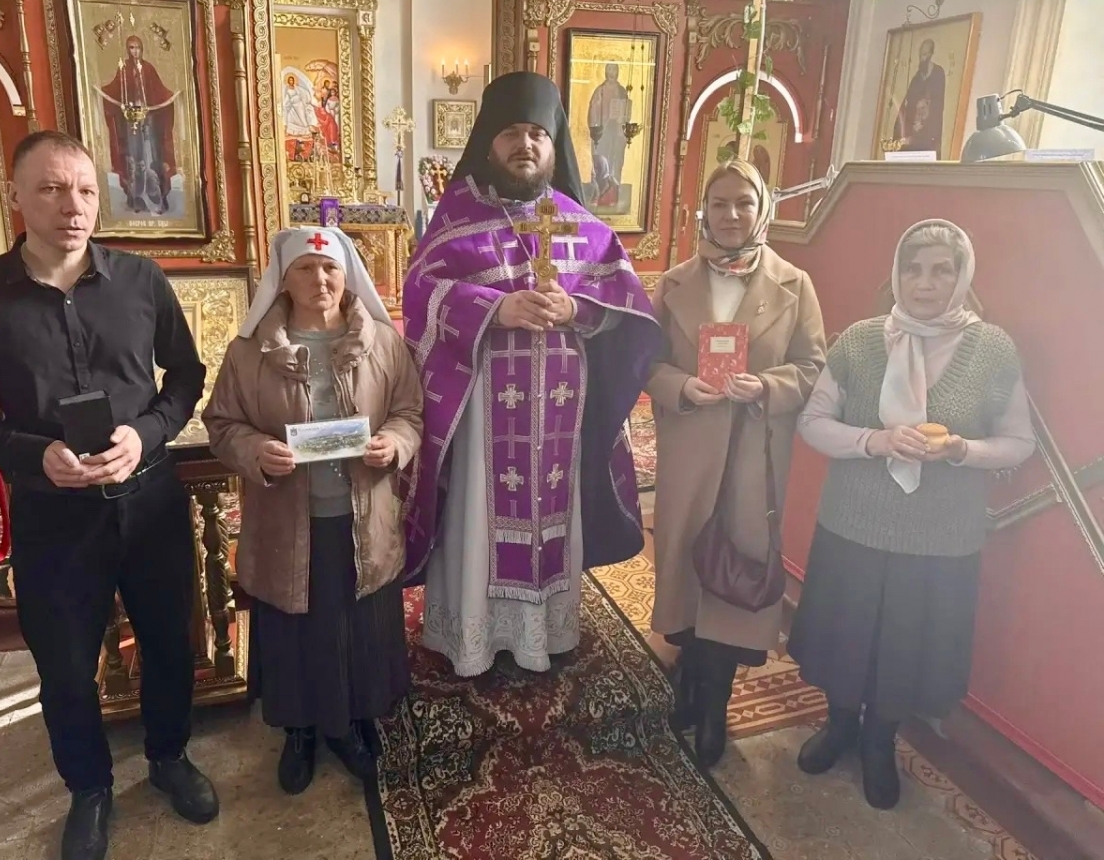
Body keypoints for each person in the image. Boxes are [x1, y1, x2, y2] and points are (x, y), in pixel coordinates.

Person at [0, 130, 217, 860]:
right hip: (53, 512)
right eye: (52, 189)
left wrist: (145, 435)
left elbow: (185, 376)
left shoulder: (141, 280)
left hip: (148, 503)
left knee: (169, 644)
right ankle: (89, 788)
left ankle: (169, 757)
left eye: (86, 190)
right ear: (16, 197)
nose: (73, 206)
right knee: (63, 666)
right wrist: (31, 453)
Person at [402, 71, 662, 678]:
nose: (525, 144)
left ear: (553, 145)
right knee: (478, 516)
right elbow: (419, 294)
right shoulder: (456, 218)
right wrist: (494, 309)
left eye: (538, 134)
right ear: (489, 143)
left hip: (562, 414)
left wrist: (576, 309)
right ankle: (472, 637)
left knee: (553, 512)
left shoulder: (582, 225)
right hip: (482, 413)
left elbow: (626, 308)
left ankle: (545, 631)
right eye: (512, 133)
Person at [789, 219, 1034, 810]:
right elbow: (812, 421)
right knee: (846, 634)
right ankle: (839, 724)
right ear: (896, 274)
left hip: (940, 536)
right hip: (854, 522)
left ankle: (880, 741)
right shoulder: (859, 341)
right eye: (913, 269)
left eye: (941, 270)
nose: (925, 283)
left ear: (962, 276)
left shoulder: (992, 349)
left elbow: (1019, 442)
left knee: (907, 644)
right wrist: (873, 440)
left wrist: (961, 450)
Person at [202, 226, 422, 794]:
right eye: (304, 268)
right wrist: (256, 450)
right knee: (295, 628)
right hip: (287, 521)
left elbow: (409, 412)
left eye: (330, 268)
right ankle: (299, 729)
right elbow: (221, 423)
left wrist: (394, 443)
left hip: (362, 517)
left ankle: (353, 722)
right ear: (283, 278)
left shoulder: (384, 343)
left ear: (347, 276)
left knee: (357, 625)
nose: (319, 279)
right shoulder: (249, 352)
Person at [646, 159, 825, 768]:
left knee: (736, 565)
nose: (730, 215)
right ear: (705, 210)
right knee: (685, 565)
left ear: (763, 209)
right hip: (691, 448)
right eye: (719, 203)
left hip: (754, 451)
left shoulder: (794, 285)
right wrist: (680, 386)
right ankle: (688, 680)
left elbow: (814, 367)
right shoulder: (674, 283)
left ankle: (715, 702)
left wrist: (767, 386)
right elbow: (646, 362)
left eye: (743, 203)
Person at [97, 35, 179, 214]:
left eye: (137, 48)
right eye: (131, 48)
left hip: (148, 121)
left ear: (142, 49)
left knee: (151, 158)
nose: (135, 51)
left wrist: (171, 96)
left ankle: (156, 198)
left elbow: (159, 91)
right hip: (130, 122)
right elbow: (115, 90)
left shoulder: (148, 68)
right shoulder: (124, 69)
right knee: (134, 160)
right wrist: (102, 91)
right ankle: (136, 198)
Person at [587, 62, 631, 208]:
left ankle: (613, 196)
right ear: (605, 71)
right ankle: (599, 194)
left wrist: (622, 117)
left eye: (614, 69)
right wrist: (601, 119)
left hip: (617, 134)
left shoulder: (622, 91)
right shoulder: (600, 91)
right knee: (601, 163)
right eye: (609, 69)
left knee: (615, 163)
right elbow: (593, 111)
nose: (611, 72)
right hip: (603, 133)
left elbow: (627, 113)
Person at [892, 38, 946, 156]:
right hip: (914, 127)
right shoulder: (917, 77)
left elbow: (937, 107)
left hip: (929, 130)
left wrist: (924, 124)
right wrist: (900, 128)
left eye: (925, 54)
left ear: (931, 54)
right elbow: (907, 103)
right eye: (920, 55)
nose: (922, 58)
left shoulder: (938, 73)